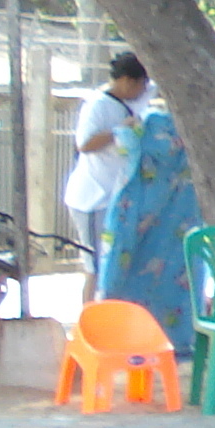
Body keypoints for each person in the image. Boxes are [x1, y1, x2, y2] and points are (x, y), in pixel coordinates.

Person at [95, 103, 200, 352]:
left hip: (134, 211)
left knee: (121, 275)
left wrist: (126, 130)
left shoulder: (144, 128)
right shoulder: (197, 136)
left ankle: (117, 338)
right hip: (180, 216)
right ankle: (175, 341)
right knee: (177, 276)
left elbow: (124, 144)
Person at [62, 49, 151, 297]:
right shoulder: (98, 105)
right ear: (127, 81)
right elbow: (85, 144)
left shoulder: (134, 100)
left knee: (117, 263)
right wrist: (118, 131)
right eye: (142, 84)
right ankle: (88, 323)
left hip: (115, 198)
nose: (145, 90)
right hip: (93, 199)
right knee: (97, 266)